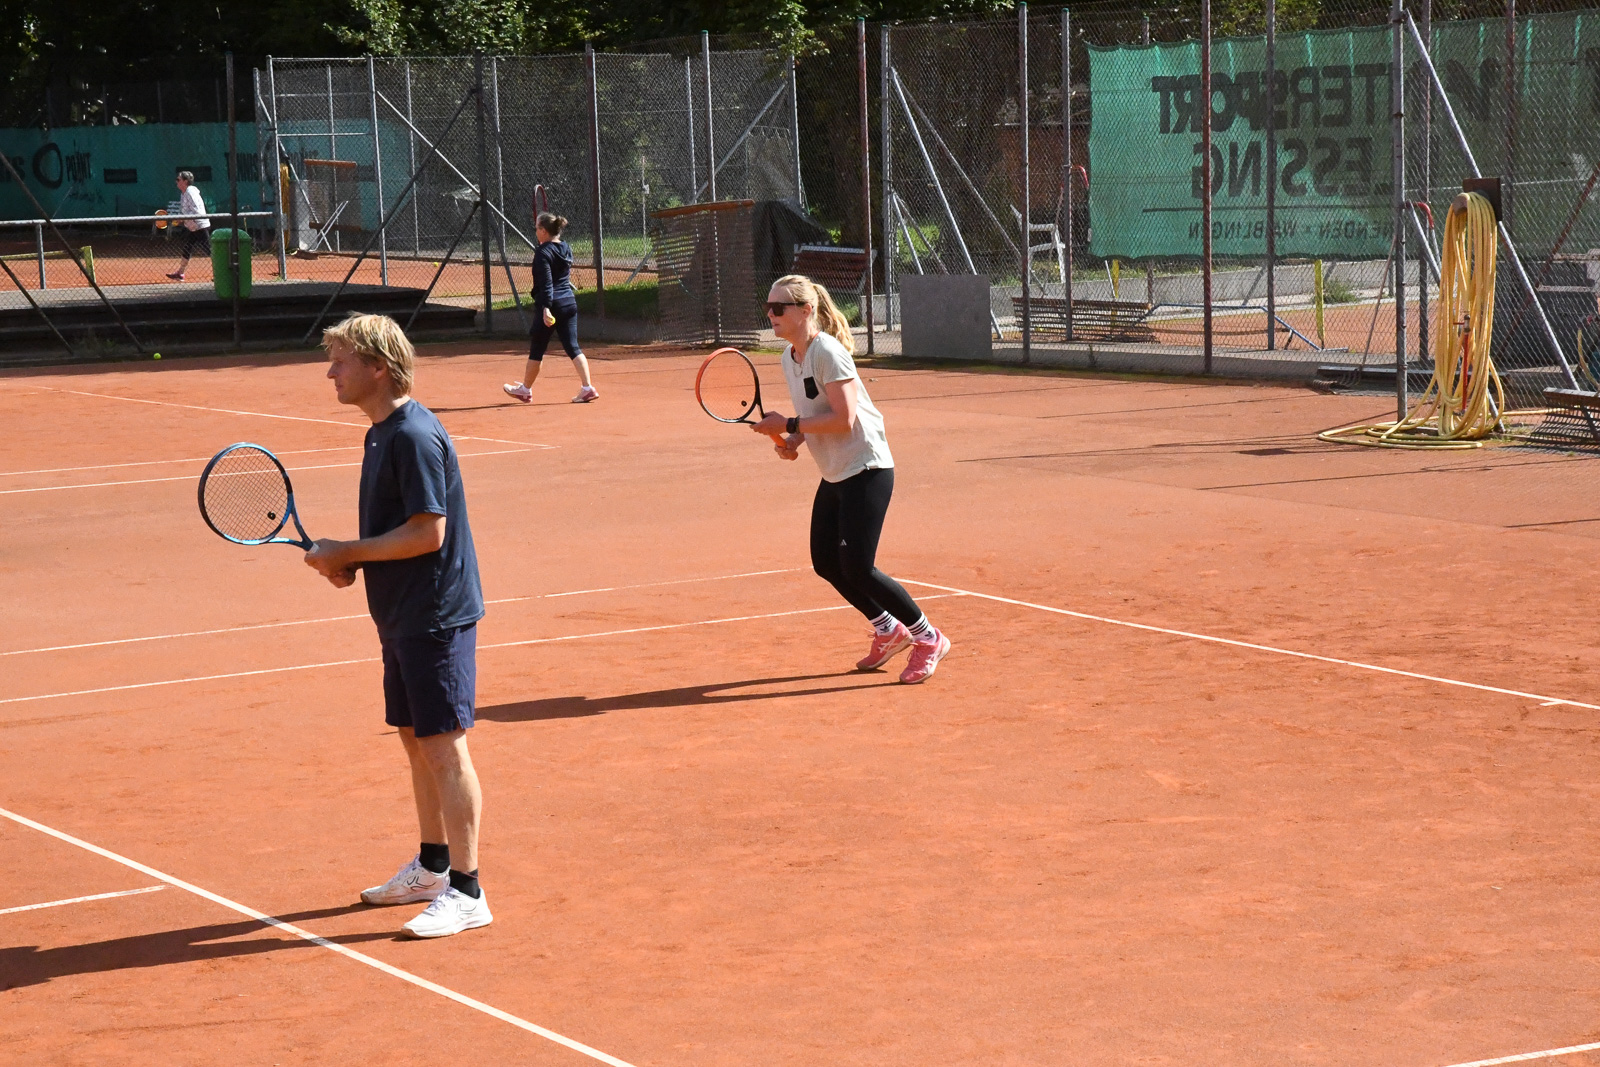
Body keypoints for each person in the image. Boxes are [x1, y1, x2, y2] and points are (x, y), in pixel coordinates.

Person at [304, 313, 492, 939]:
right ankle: (433, 866)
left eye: (340, 361)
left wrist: (350, 551)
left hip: (433, 613)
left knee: (443, 745)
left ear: (377, 368)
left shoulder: (411, 434)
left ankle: (468, 891)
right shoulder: (381, 432)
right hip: (401, 611)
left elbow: (428, 531)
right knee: (415, 738)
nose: (331, 372)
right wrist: (349, 563)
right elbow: (398, 531)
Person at [753, 273, 952, 684]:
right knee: (826, 561)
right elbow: (815, 415)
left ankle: (928, 638)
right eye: (768, 307)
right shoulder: (789, 357)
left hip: (866, 468)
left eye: (778, 308)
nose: (770, 314)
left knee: (859, 567)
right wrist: (791, 439)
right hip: (835, 472)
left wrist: (790, 422)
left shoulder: (827, 351)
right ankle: (887, 629)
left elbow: (845, 418)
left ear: (805, 310)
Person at [502, 211, 599, 404]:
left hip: (552, 304)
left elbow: (546, 283)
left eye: (537, 228)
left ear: (544, 231)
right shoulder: (565, 248)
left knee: (537, 348)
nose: (535, 232)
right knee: (573, 346)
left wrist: (546, 308)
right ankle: (587, 387)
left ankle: (525, 390)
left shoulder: (543, 253)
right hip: (569, 302)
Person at [165, 170, 211, 281]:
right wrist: (182, 218)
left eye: (178, 179)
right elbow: (187, 211)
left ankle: (222, 273)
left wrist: (183, 218)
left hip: (200, 225)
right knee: (187, 247)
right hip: (192, 226)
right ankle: (180, 273)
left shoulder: (191, 192)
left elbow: (197, 211)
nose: (176, 182)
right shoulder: (184, 193)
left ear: (185, 181)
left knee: (209, 250)